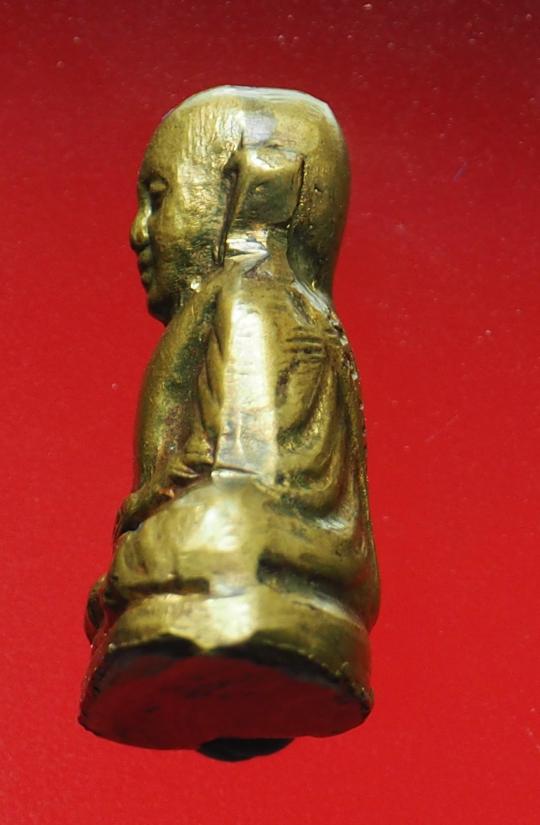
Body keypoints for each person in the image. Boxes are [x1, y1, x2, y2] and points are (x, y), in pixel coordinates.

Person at [81, 87, 379, 760]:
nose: (138, 230)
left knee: (206, 528)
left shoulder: (254, 300)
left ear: (242, 194)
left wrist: (146, 510)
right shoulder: (246, 302)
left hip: (255, 529)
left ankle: (229, 619)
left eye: (159, 198)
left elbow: (243, 464)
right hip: (282, 541)